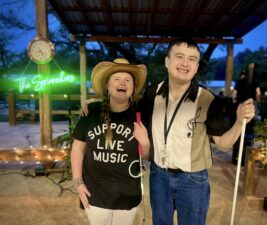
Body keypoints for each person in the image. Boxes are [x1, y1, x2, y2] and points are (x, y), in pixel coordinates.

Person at [138, 37, 255, 225]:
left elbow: (224, 144)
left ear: (197, 65)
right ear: (167, 61)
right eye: (179, 56)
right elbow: (131, 115)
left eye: (192, 59)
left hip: (193, 180)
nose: (185, 63)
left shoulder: (207, 99)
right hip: (159, 175)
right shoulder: (153, 93)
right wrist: (98, 105)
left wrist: (239, 121)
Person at [71, 58, 150, 225]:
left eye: (128, 80)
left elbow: (146, 159)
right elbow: (77, 148)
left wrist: (145, 143)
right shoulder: (91, 112)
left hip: (128, 193)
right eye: (117, 79)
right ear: (107, 85)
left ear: (133, 88)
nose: (123, 83)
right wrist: (78, 183)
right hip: (95, 192)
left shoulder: (141, 116)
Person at [231, 70, 261, 165]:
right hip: (250, 107)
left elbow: (234, 95)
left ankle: (236, 158)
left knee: (238, 131)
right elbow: (258, 94)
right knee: (249, 133)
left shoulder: (239, 82)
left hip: (240, 106)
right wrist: (257, 103)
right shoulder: (255, 82)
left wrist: (235, 103)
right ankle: (247, 159)